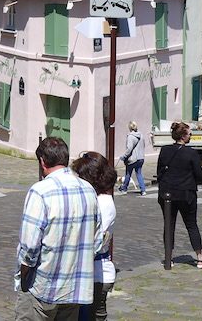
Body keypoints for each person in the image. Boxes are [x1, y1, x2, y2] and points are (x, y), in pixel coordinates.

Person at [15, 137, 101, 321]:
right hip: (74, 288)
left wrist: (23, 276)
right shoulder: (88, 190)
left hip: (43, 286)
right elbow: (98, 238)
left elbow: (30, 246)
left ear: (42, 161)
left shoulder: (40, 191)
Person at [71, 152, 117, 321]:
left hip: (97, 275)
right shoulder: (95, 198)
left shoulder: (104, 203)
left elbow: (92, 241)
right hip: (89, 273)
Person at [157, 121, 202, 268]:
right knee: (191, 225)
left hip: (167, 193)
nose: (191, 135)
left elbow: (159, 171)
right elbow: (199, 174)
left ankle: (169, 258)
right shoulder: (191, 153)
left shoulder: (164, 150)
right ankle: (199, 257)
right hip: (186, 194)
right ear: (184, 136)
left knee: (169, 225)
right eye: (189, 133)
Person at [118, 121, 147, 196]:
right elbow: (143, 145)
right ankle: (143, 190)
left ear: (129, 127)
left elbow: (129, 148)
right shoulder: (141, 135)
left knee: (128, 174)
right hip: (141, 158)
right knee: (139, 174)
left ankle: (124, 189)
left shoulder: (131, 137)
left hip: (132, 159)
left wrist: (124, 157)